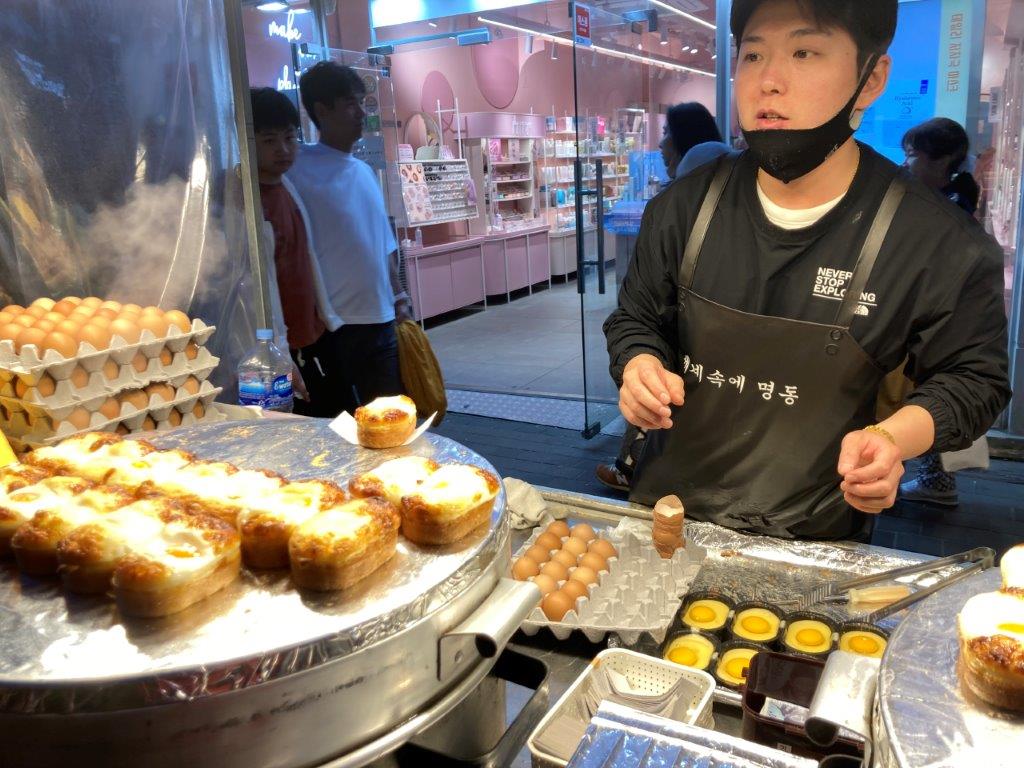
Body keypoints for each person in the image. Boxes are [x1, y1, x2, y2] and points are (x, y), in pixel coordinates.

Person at [604, 0, 1010, 540]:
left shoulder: (936, 242)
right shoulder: (682, 208)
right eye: (752, 55)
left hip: (815, 532)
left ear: (871, 78)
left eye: (804, 51)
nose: (768, 81)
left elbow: (974, 379)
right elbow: (634, 319)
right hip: (668, 517)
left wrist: (893, 439)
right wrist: (637, 365)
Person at [597, 105, 731, 492]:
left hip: (687, 345)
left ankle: (632, 466)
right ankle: (632, 465)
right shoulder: (672, 206)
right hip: (673, 342)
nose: (660, 143)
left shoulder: (688, 192)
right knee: (651, 387)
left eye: (667, 132)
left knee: (662, 398)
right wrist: (637, 354)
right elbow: (632, 317)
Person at [287, 62, 413, 417]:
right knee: (341, 423)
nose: (361, 113)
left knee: (392, 419)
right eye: (350, 104)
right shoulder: (297, 168)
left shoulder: (363, 171)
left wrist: (400, 296)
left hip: (382, 320)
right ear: (321, 110)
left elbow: (383, 243)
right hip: (334, 327)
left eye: (362, 103)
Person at [896, 117, 985, 505]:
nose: (905, 164)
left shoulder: (949, 205)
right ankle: (938, 479)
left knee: (933, 390)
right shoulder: (955, 195)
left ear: (942, 158)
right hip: (939, 312)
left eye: (913, 155)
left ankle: (938, 481)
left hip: (941, 317)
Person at [249, 87, 323, 413]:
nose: (283, 149)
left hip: (305, 341)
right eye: (268, 141)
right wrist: (277, 356)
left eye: (290, 138)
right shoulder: (244, 201)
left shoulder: (286, 186)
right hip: (271, 352)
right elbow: (254, 290)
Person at [902, 117, 980, 214]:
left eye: (911, 155)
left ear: (942, 162)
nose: (904, 165)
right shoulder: (937, 200)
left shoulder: (947, 210)